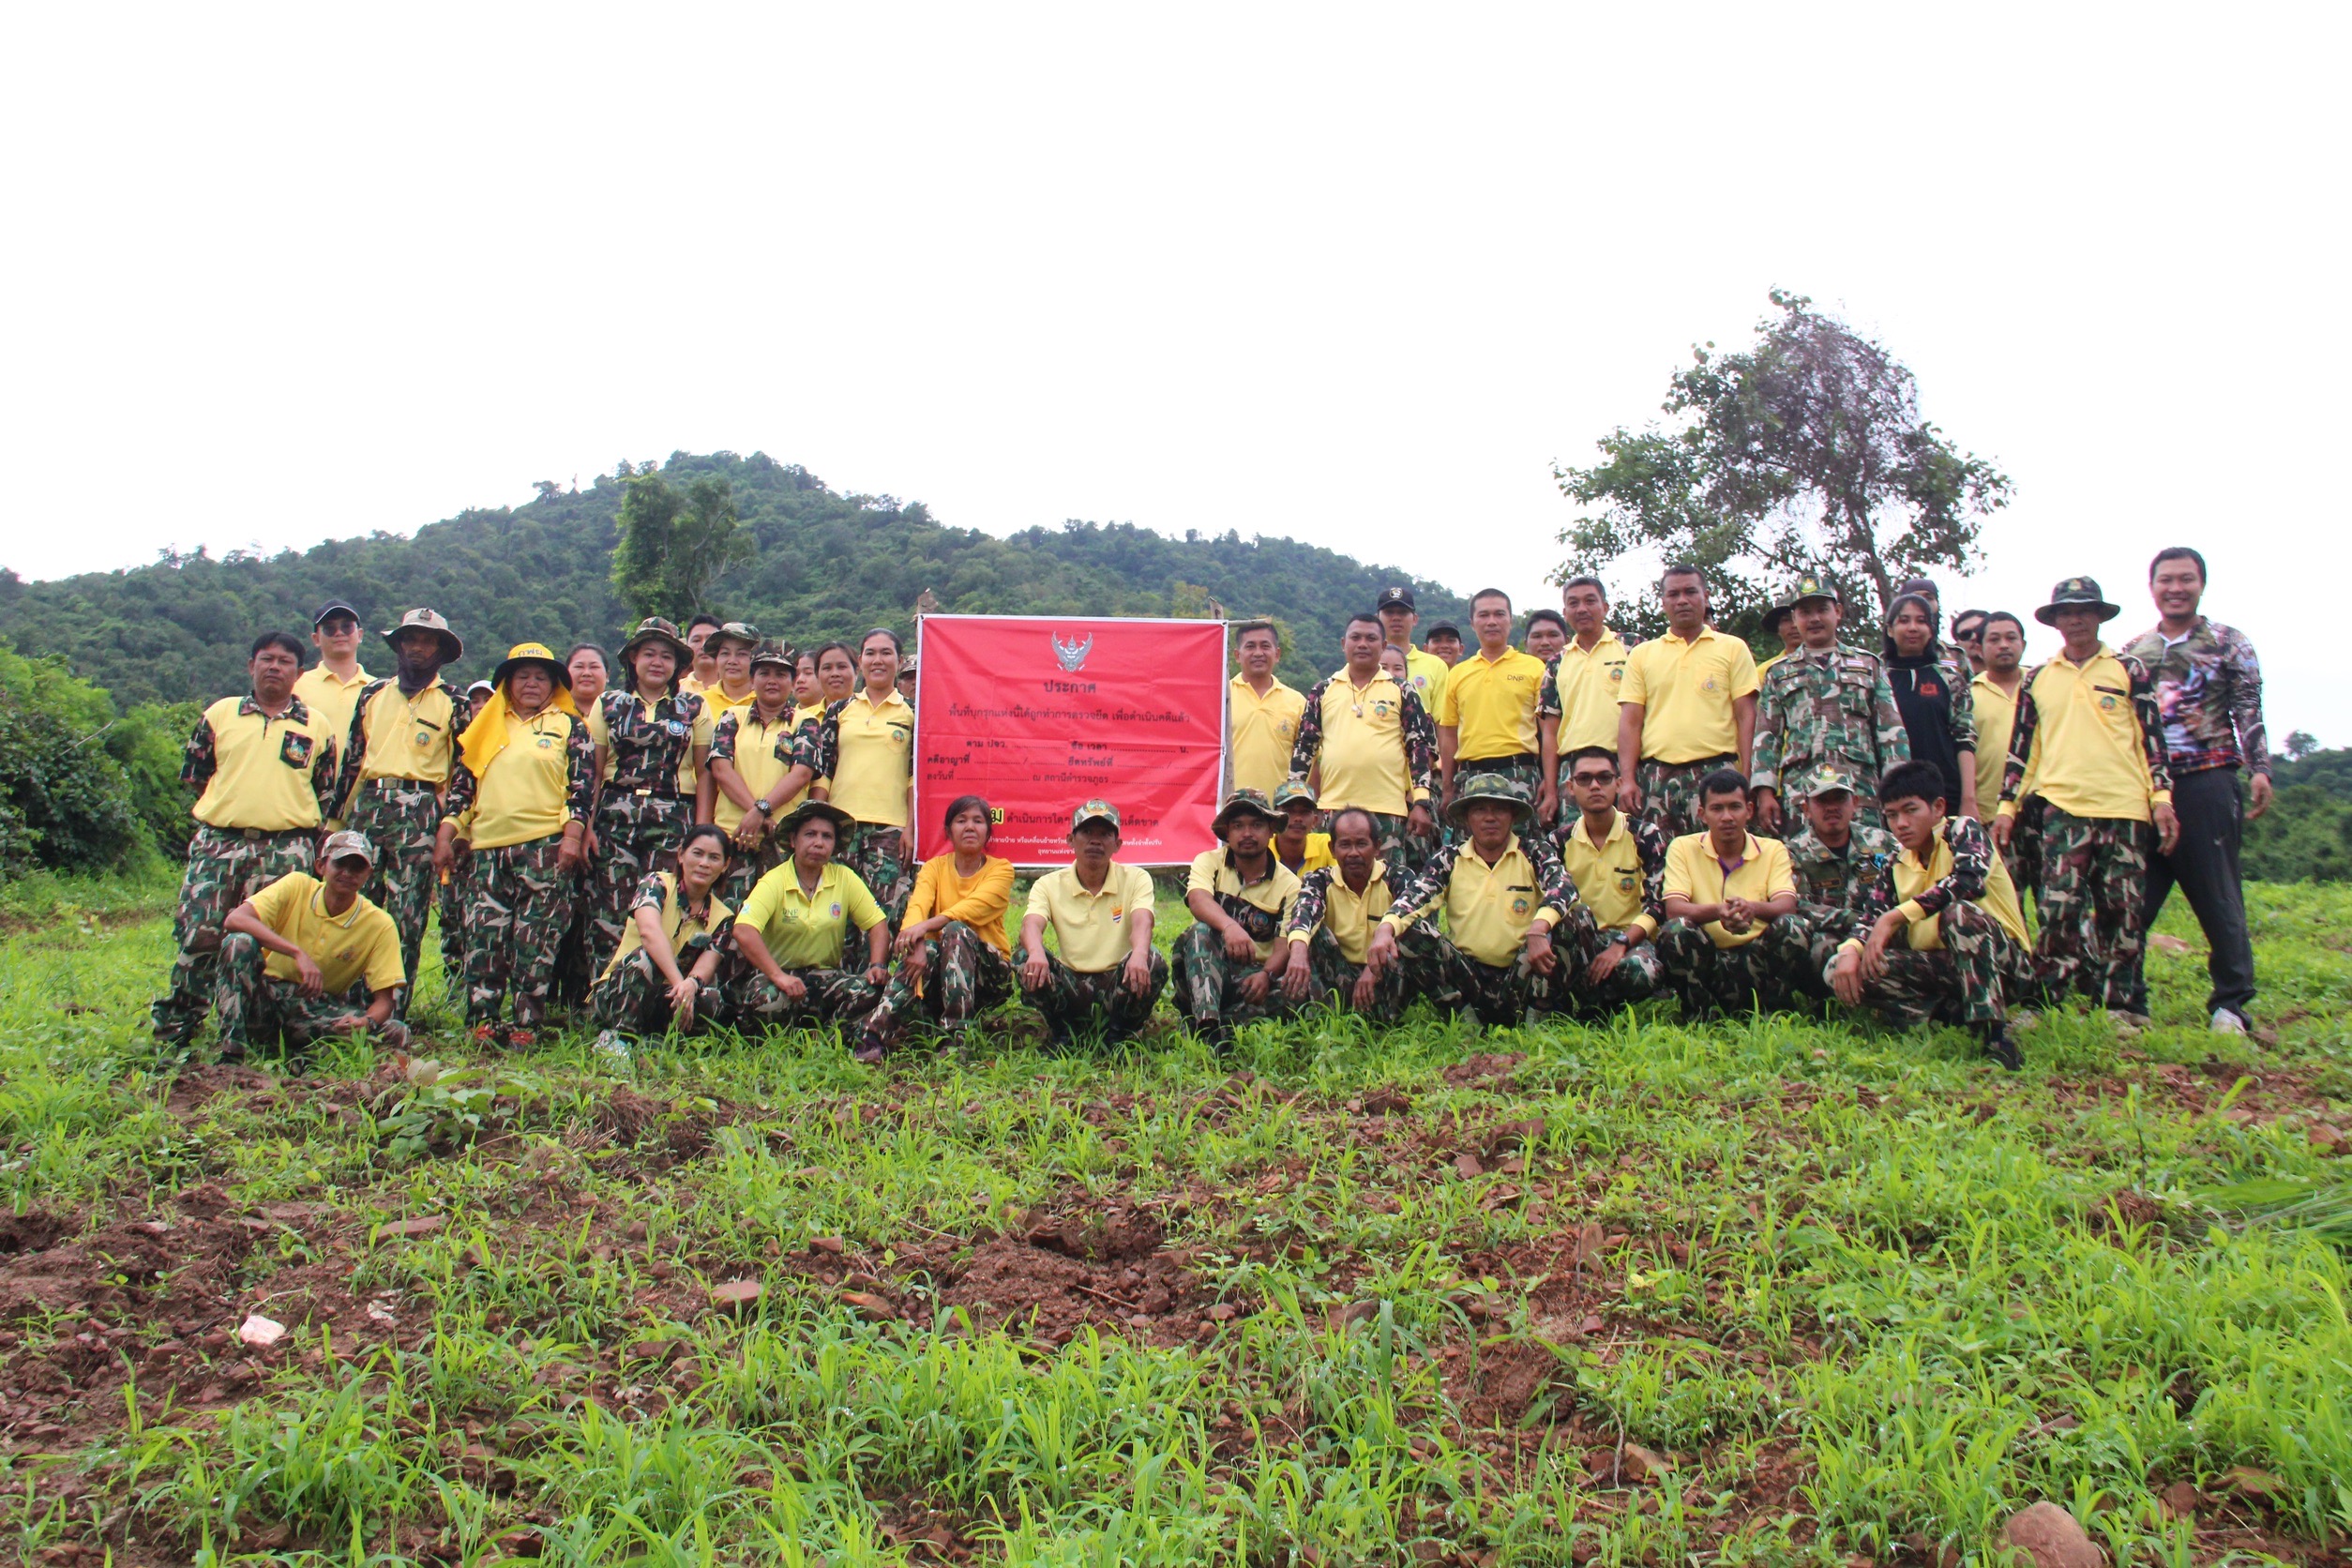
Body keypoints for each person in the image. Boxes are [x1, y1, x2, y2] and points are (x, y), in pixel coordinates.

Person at [1997, 578, 2179, 1028]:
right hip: (2063, 808)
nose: (2075, 619)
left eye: (2084, 610)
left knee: (2121, 911)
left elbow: (2151, 740)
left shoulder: (2128, 669)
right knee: (2058, 909)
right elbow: (2024, 748)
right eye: (2066, 612)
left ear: (2099, 616)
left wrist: (2161, 797)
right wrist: (2006, 808)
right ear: (2055, 621)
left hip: (2125, 808)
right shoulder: (2039, 677)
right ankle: (2045, 1000)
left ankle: (2120, 1005)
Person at [151, 631, 343, 1048]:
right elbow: (196, 776)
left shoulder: (316, 726)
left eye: (285, 661)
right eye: (266, 659)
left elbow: (326, 792)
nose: (274, 667)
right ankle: (177, 1031)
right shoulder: (220, 714)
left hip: (286, 850)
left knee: (272, 942)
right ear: (250, 665)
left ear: (298, 672)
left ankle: (254, 1031)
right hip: (219, 845)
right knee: (199, 935)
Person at [2120, 547, 2271, 1033]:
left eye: (2186, 579)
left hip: (2207, 779)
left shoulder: (2228, 642)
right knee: (2132, 899)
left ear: (2201, 584)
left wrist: (2260, 768)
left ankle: (2231, 1005)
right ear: (2152, 587)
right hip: (2143, 787)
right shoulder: (2134, 650)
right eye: (2166, 580)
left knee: (2217, 895)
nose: (2176, 588)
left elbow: (2248, 706)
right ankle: (2129, 1000)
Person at [1829, 760, 2038, 1071]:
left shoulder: (1963, 831)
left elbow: (1967, 881)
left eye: (1910, 810)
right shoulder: (1896, 861)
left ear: (1938, 807)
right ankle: (1946, 1016)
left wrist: (1895, 917)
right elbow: (1871, 916)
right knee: (1844, 965)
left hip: (2002, 964)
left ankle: (1995, 1036)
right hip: (1945, 966)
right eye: (1891, 815)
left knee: (1961, 915)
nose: (1900, 824)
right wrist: (1849, 952)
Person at [437, 641, 594, 1045]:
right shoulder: (485, 727)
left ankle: (526, 1025)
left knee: (535, 941)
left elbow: (581, 789)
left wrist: (572, 837)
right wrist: (447, 835)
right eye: (521, 676)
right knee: (485, 938)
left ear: (554, 684)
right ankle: (482, 1023)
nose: (530, 683)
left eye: (540, 677)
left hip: (544, 846)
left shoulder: (569, 726)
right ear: (506, 683)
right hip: (487, 850)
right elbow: (462, 790)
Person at [1370, 776, 1596, 1027]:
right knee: (1406, 929)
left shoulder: (1533, 852)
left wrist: (1539, 928)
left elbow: (1564, 887)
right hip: (1468, 978)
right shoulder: (1449, 858)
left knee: (1576, 917)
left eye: (1499, 809)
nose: (1490, 817)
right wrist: (1385, 928)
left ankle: (1540, 1013)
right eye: (1480, 809)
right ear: (1467, 818)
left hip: (1522, 974)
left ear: (1512, 815)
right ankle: (1463, 1017)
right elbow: (1415, 897)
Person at [334, 608, 466, 1014]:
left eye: (428, 641)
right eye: (410, 638)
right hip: (369, 804)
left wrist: (450, 828)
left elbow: (463, 773)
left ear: (441, 651)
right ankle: (348, 1005)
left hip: (420, 807)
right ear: (399, 644)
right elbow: (353, 762)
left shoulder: (453, 701)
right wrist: (335, 821)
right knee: (355, 903)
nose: (418, 647)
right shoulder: (372, 694)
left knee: (407, 916)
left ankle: (393, 1009)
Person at [214, 831, 411, 1059]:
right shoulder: (296, 885)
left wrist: (365, 1022)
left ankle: (305, 1055)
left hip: (318, 1009)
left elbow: (384, 1002)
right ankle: (232, 1052)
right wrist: (297, 953)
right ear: (321, 866)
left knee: (397, 1032)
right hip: (266, 998)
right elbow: (236, 919)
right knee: (238, 943)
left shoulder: (380, 924)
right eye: (340, 864)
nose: (347, 873)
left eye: (357, 867)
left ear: (368, 874)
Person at [583, 618, 709, 972]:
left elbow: (704, 775)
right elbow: (593, 771)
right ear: (633, 659)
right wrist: (586, 826)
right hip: (614, 814)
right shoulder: (608, 704)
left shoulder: (694, 707)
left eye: (666, 656)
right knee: (609, 907)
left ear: (677, 665)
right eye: (649, 654)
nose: (657, 662)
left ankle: (652, 995)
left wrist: (700, 832)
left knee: (661, 906)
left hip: (673, 816)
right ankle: (605, 993)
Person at [859, 794, 1018, 1057]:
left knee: (955, 932)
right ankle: (873, 1036)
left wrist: (924, 928)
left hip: (989, 976)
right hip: (939, 971)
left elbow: (971, 909)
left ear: (988, 832)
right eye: (961, 820)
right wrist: (916, 942)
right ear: (948, 831)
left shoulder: (1001, 870)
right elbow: (917, 907)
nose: (969, 827)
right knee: (930, 948)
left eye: (978, 821)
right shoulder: (933, 868)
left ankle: (956, 1038)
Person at [1750, 577, 1909, 835]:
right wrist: (1765, 792)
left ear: (1837, 612)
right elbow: (1767, 737)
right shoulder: (1778, 673)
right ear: (1794, 618)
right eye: (1804, 612)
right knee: (1803, 864)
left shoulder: (1868, 665)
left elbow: (1891, 732)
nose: (1814, 619)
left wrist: (1900, 789)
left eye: (1822, 610)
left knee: (1869, 863)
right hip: (1801, 792)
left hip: (1861, 789)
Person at [1289, 613, 1439, 885]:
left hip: (1387, 809)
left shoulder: (1402, 690)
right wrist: (1295, 801)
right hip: (1332, 808)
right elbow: (1305, 748)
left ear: (1382, 645)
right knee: (1330, 887)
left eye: (1371, 638)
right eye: (1356, 638)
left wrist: (1421, 801)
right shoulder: (1323, 690)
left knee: (1386, 887)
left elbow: (1419, 747)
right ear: (1343, 643)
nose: (1363, 644)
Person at [724, 800, 891, 1041]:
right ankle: (782, 1043)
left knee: (870, 991)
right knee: (767, 999)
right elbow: (743, 930)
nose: (818, 843)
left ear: (834, 845)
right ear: (793, 840)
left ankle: (828, 1040)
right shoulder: (775, 880)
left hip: (825, 976)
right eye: (810, 834)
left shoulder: (844, 877)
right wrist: (778, 976)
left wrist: (877, 965)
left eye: (827, 836)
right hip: (779, 975)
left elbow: (877, 923)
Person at [1617, 565, 1760, 840]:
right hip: (1657, 776)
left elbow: (1746, 715)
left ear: (1705, 596)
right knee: (1660, 861)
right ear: (1663, 602)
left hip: (1718, 771)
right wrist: (1628, 780)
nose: (1682, 600)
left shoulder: (1732, 647)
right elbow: (1631, 721)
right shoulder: (1642, 654)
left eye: (1690, 592)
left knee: (1720, 859)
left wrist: (1747, 774)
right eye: (1673, 594)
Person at [790, 627, 918, 925]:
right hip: (841, 827)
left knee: (883, 915)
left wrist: (911, 828)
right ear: (860, 661)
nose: (878, 660)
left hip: (890, 830)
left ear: (899, 661)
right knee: (837, 915)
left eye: (886, 653)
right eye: (871, 653)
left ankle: (877, 972)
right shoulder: (840, 709)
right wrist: (816, 822)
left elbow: (914, 778)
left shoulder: (912, 711)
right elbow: (824, 771)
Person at [1655, 769, 1807, 1017]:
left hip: (1757, 958)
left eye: (1735, 807)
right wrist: (1719, 911)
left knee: (1794, 926)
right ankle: (1700, 1012)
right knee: (1676, 930)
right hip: (1709, 960)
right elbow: (1674, 909)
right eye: (1717, 809)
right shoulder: (1683, 847)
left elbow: (1787, 906)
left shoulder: (1773, 849)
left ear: (1749, 810)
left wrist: (1751, 908)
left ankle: (1774, 1010)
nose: (1727, 817)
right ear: (1702, 814)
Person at [1018, 800, 1168, 1046]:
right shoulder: (1048, 884)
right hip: (1070, 986)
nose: (1095, 841)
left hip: (1118, 983)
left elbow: (1143, 920)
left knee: (1152, 959)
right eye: (1087, 832)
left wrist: (1140, 954)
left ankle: (1121, 1036)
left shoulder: (1136, 878)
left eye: (1105, 834)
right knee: (1025, 958)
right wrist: (1035, 952)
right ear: (1070, 840)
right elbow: (1031, 924)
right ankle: (1062, 1033)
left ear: (1117, 844)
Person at [1173, 790, 1304, 1048]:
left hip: (1254, 978)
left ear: (1270, 831)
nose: (1247, 834)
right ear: (1227, 833)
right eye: (1238, 826)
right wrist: (1230, 926)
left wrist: (1266, 975)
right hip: (1205, 970)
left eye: (1256, 825)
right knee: (1200, 932)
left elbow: (1283, 945)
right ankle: (1208, 1028)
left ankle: (1216, 1024)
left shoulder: (1290, 885)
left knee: (1295, 992)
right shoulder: (1208, 861)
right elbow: (1198, 900)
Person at [587, 822, 735, 1044]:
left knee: (711, 998)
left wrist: (690, 985)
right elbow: (649, 933)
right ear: (681, 855)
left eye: (714, 857)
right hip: (621, 990)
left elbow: (708, 963)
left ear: (725, 865)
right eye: (697, 853)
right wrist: (680, 984)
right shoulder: (655, 884)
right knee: (644, 960)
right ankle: (619, 1038)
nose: (704, 863)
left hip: (669, 996)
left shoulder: (723, 916)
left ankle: (661, 1042)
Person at [1551, 747, 1667, 1009]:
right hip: (1581, 941)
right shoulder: (1559, 841)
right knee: (1574, 916)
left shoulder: (1644, 835)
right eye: (1584, 779)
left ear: (1618, 783)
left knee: (1641, 971)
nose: (1595, 786)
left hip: (1631, 940)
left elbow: (1658, 904)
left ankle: (1595, 1002)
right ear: (1570, 787)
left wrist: (1621, 944)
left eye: (1604, 778)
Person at [707, 639, 807, 906]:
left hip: (783, 838)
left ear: (793, 681)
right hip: (733, 835)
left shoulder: (804, 722)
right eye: (764, 673)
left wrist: (759, 812)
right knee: (727, 917)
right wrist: (757, 813)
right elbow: (721, 769)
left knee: (780, 921)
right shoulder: (732, 717)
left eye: (781, 674)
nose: (772, 680)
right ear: (752, 679)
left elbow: (801, 774)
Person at [1279, 807, 1405, 1019]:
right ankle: (1322, 1015)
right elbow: (1305, 911)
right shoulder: (1320, 880)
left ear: (1377, 847)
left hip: (1385, 974)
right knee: (1309, 934)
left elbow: (1411, 912)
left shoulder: (1396, 876)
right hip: (1339, 974)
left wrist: (1373, 970)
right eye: (1345, 844)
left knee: (1412, 927)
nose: (1353, 853)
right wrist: (1298, 949)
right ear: (1332, 849)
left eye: (1361, 844)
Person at [1780, 765, 1899, 988]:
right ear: (1806, 808)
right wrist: (1857, 921)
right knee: (1820, 948)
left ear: (1854, 803)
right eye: (1822, 801)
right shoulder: (1792, 852)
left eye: (1840, 799)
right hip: (1830, 937)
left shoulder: (1884, 843)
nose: (1832, 807)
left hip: (1880, 934)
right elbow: (1799, 906)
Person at [1535, 576, 1636, 824]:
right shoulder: (1557, 663)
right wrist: (1550, 789)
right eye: (1574, 603)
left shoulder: (1632, 648)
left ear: (1605, 607)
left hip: (1622, 767)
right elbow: (1550, 732)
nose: (1582, 608)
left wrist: (1631, 777)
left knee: (1629, 846)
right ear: (1565, 612)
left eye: (1590, 601)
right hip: (1574, 771)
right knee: (1574, 850)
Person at [1437, 589, 1548, 808]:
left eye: (1499, 614)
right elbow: (1449, 736)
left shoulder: (1535, 667)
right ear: (1472, 622)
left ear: (1511, 620)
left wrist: (1549, 782)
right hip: (1470, 774)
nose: (1492, 622)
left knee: (1521, 842)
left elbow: (1548, 732)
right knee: (1470, 842)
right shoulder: (1458, 674)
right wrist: (1447, 787)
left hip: (1520, 773)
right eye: (1484, 615)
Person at [1882, 593, 1978, 819]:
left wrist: (1968, 799)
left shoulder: (1950, 678)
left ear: (1932, 630)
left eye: (1921, 621)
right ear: (1889, 629)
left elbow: (1965, 739)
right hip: (1892, 801)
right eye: (1904, 620)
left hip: (1945, 797)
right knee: (1890, 856)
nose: (1913, 628)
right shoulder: (1877, 678)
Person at [1227, 620, 1306, 798]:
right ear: (1237, 655)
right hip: (1229, 808)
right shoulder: (1222, 697)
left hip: (1279, 809)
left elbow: (1311, 760)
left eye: (1265, 646)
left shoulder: (1297, 702)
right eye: (1250, 646)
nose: (1258, 653)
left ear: (1277, 654)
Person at [294, 600, 372, 775]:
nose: (339, 633)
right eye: (329, 629)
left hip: (365, 793)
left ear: (359, 635)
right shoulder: (296, 687)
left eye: (346, 627)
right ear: (315, 639)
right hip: (309, 789)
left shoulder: (380, 690)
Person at [1365, 585, 1451, 716]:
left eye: (1402, 612)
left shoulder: (1436, 665)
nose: (1396, 618)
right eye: (1389, 612)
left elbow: (1441, 721)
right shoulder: (1365, 662)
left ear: (1415, 619)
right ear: (1377, 618)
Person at [1271, 779, 1334, 876]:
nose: (1298, 818)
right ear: (1274, 818)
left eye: (1305, 812)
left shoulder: (1327, 844)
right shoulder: (1262, 849)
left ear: (1315, 820)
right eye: (1289, 811)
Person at [702, 622, 761, 718]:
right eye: (725, 653)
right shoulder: (701, 702)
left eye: (741, 654)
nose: (732, 661)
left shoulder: (766, 703)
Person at [1755, 596, 1802, 680]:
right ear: (1777, 628)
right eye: (1786, 620)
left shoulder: (1831, 662)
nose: (1794, 625)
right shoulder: (1764, 672)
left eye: (1799, 617)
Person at [679, 613, 725, 696]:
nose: (703, 646)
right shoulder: (676, 690)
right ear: (687, 646)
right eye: (696, 640)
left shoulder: (737, 689)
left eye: (710, 639)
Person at [565, 644, 611, 711]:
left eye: (594, 667)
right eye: (579, 667)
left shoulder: (623, 713)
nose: (586, 673)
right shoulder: (550, 715)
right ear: (566, 674)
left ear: (607, 675)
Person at [1950, 611, 1990, 677]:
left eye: (1979, 630)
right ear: (1958, 644)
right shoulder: (1953, 681)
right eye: (1965, 634)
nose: (1974, 637)